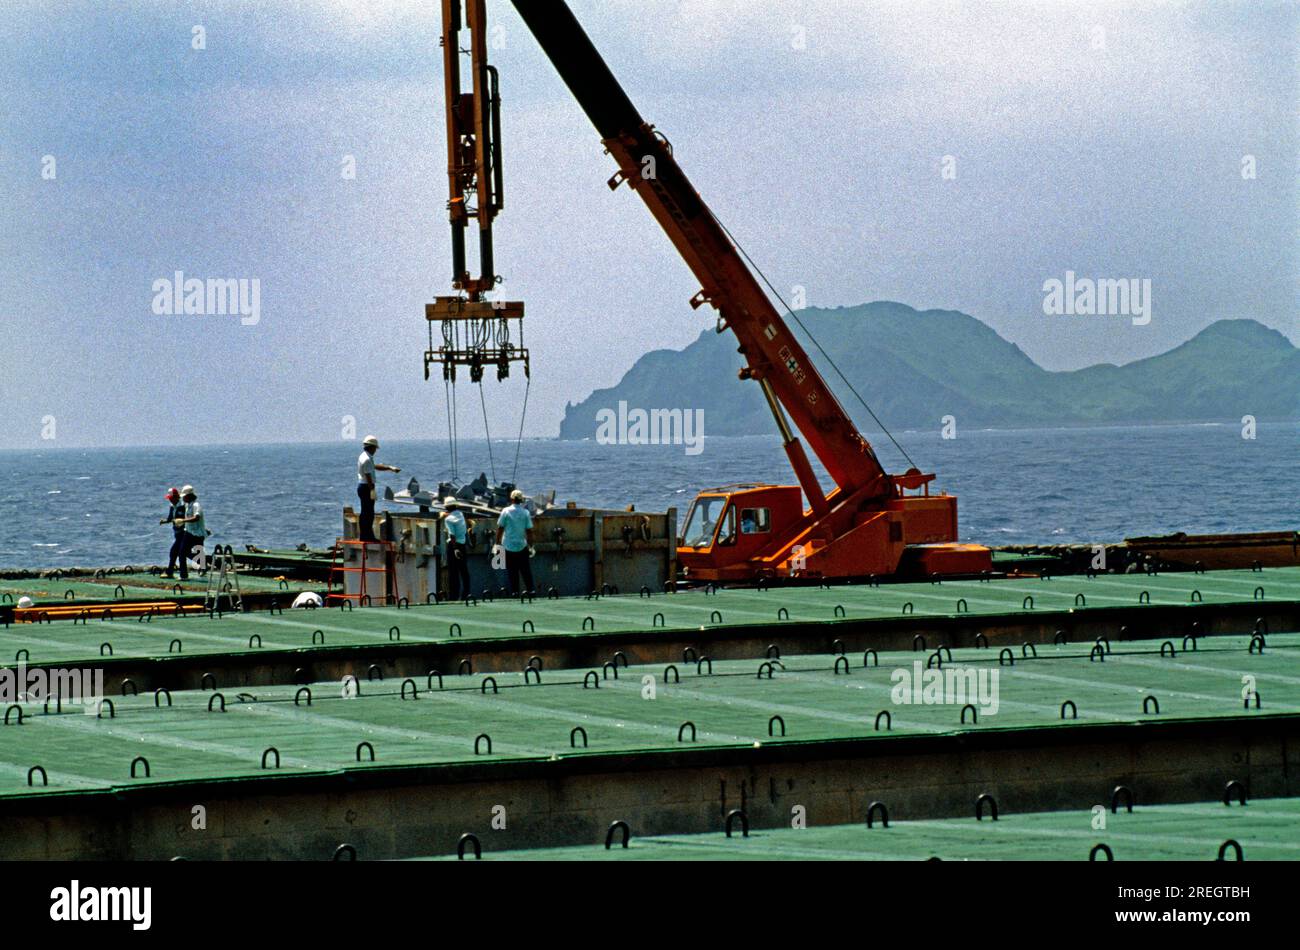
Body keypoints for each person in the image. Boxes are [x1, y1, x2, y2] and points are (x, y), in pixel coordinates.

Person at [356, 435, 400, 543]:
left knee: (365, 512)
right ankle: (368, 536)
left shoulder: (364, 456)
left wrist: (389, 468)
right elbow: (368, 476)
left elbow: (374, 467)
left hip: (363, 486)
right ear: (372, 447)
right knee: (368, 513)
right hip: (367, 487)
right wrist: (372, 490)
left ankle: (364, 535)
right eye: (375, 448)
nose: (375, 450)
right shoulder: (366, 459)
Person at [495, 489, 534, 596]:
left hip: (508, 546)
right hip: (522, 545)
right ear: (521, 500)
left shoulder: (505, 511)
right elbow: (529, 531)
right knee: (526, 570)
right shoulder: (526, 513)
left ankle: (515, 592)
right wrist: (531, 546)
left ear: (511, 499)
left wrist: (497, 544)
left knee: (512, 571)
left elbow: (500, 528)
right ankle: (531, 590)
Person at [441, 497, 472, 601]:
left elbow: (452, 535)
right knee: (464, 571)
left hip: (454, 546)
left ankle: (453, 596)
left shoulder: (448, 520)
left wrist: (455, 549)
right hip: (462, 545)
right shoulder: (461, 515)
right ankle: (466, 594)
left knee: (453, 573)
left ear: (446, 507)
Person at [174, 485, 207, 578]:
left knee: (198, 552)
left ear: (189, 496)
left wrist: (183, 521)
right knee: (182, 552)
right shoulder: (187, 505)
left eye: (184, 496)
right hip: (188, 532)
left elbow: (197, 517)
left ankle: (203, 565)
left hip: (198, 534)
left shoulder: (196, 505)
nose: (183, 498)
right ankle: (183, 575)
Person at [159, 487, 186, 578]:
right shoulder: (172, 506)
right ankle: (203, 564)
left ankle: (170, 572)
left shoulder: (181, 506)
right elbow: (171, 518)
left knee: (174, 552)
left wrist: (175, 521)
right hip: (177, 533)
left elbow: (181, 520)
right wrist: (165, 521)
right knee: (185, 553)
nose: (170, 500)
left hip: (183, 533)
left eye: (171, 498)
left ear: (176, 497)